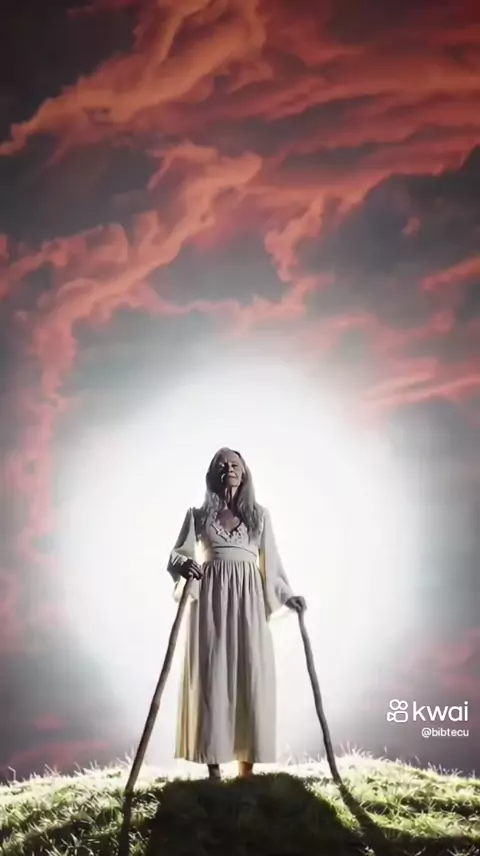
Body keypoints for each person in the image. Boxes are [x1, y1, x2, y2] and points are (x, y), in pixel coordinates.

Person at [167, 447, 306, 780]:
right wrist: (184, 564)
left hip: (248, 602)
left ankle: (246, 769)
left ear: (244, 473)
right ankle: (213, 767)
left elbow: (272, 563)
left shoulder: (259, 517)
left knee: (250, 672)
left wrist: (287, 596)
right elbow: (177, 554)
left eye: (234, 464)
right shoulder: (198, 516)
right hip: (210, 603)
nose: (228, 468)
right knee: (212, 674)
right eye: (222, 464)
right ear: (212, 474)